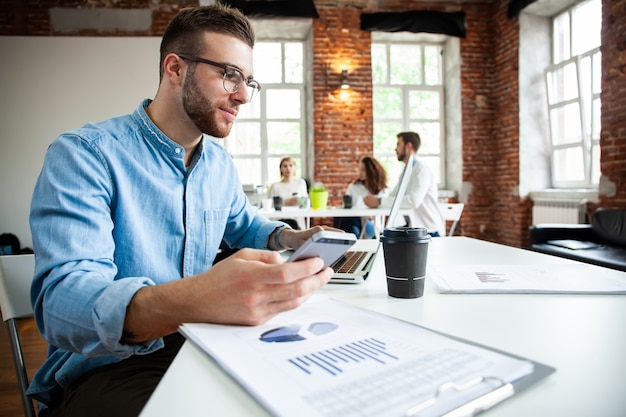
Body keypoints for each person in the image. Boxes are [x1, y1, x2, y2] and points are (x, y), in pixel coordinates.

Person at [27, 5, 334, 417]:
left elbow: (243, 224)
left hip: (205, 342)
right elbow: (61, 304)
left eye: (248, 82)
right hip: (110, 366)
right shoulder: (86, 155)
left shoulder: (219, 164)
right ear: (175, 69)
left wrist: (288, 237)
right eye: (229, 74)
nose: (243, 95)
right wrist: (199, 299)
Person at [363, 132, 444, 237]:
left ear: (408, 146)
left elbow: (413, 201)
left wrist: (379, 201)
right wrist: (375, 200)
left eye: (398, 144)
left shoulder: (421, 170)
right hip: (413, 230)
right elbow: (394, 196)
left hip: (428, 232)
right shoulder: (407, 170)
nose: (395, 149)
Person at [334, 156, 388, 238]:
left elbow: (382, 211)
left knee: (353, 227)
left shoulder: (381, 190)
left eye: (363, 170)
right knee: (351, 226)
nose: (360, 172)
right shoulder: (353, 187)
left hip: (371, 225)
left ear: (371, 171)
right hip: (354, 221)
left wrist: (369, 215)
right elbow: (346, 206)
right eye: (359, 169)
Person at [269, 156, 309, 229]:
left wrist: (299, 200)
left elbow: (305, 204)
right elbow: (270, 206)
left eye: (291, 165)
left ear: (294, 168)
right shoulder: (275, 186)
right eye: (285, 166)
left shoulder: (301, 183)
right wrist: (287, 202)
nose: (288, 168)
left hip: (297, 221)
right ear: (281, 169)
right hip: (280, 221)